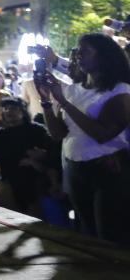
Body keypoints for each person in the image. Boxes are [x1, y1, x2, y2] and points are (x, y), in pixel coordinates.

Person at [39, 34, 130, 244]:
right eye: (77, 51)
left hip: (107, 170)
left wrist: (64, 102)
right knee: (86, 233)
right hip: (75, 168)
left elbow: (102, 134)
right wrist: (46, 101)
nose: (78, 55)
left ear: (103, 57)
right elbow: (58, 134)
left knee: (109, 235)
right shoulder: (73, 90)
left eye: (85, 51)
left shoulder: (119, 91)